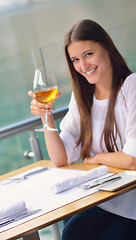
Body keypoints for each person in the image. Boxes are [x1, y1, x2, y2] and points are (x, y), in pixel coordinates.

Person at [28, 19, 136, 239]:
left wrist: (97, 159)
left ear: (106, 44)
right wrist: (46, 116)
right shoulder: (83, 98)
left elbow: (132, 160)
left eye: (88, 54)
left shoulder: (132, 87)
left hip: (132, 205)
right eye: (75, 59)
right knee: (72, 233)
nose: (83, 66)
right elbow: (61, 158)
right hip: (104, 198)